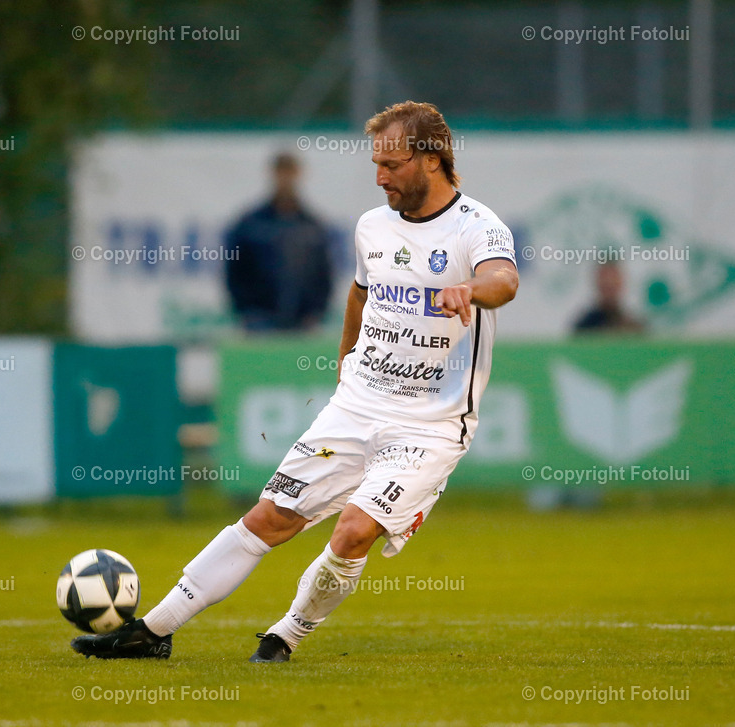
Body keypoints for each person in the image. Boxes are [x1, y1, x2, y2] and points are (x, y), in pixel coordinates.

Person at [71, 101, 519, 663]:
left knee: (354, 530)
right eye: (375, 164)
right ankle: (152, 631)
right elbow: (360, 294)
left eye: (393, 164)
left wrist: (470, 290)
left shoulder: (477, 226)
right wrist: (346, 360)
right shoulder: (372, 227)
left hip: (429, 426)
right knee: (269, 517)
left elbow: (503, 280)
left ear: (431, 160)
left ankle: (286, 634)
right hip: (355, 408)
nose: (380, 177)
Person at [224, 153, 333, 332]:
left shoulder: (312, 225)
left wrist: (316, 311)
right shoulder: (251, 224)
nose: (285, 179)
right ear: (273, 174)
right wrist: (246, 310)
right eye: (281, 172)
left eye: (289, 172)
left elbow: (324, 273)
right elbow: (235, 270)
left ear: (298, 174)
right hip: (259, 319)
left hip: (303, 323)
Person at [573, 260, 644, 333]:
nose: (609, 283)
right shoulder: (584, 327)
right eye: (605, 279)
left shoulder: (634, 327)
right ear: (598, 283)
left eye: (613, 278)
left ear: (621, 282)